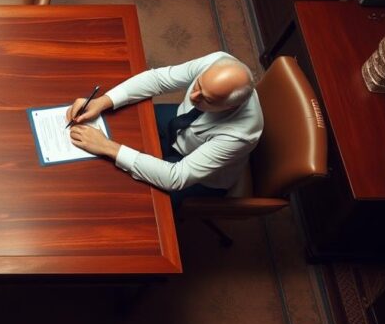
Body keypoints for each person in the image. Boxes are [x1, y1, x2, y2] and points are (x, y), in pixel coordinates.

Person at [66, 51, 263, 207]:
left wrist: (108, 147)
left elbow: (175, 177)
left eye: (207, 99)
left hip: (197, 175)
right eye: (197, 85)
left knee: (129, 196)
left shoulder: (240, 134)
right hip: (179, 123)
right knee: (125, 122)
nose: (193, 97)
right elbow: (158, 79)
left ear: (229, 107)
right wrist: (103, 101)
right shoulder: (217, 61)